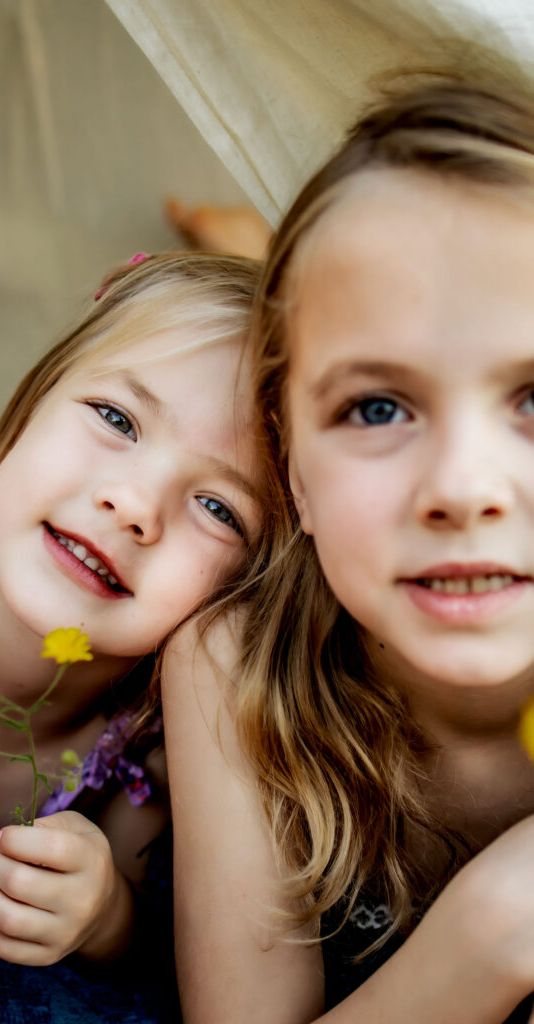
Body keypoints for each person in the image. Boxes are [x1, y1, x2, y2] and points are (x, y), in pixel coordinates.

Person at [162, 79, 534, 1024]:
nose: (462, 488)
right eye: (376, 406)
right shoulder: (234, 665)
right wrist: (490, 935)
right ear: (292, 477)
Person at [0, 251, 268, 1022]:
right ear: (32, 399)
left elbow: (153, 949)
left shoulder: (142, 754)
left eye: (218, 508)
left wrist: (105, 915)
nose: (134, 503)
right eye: (117, 419)